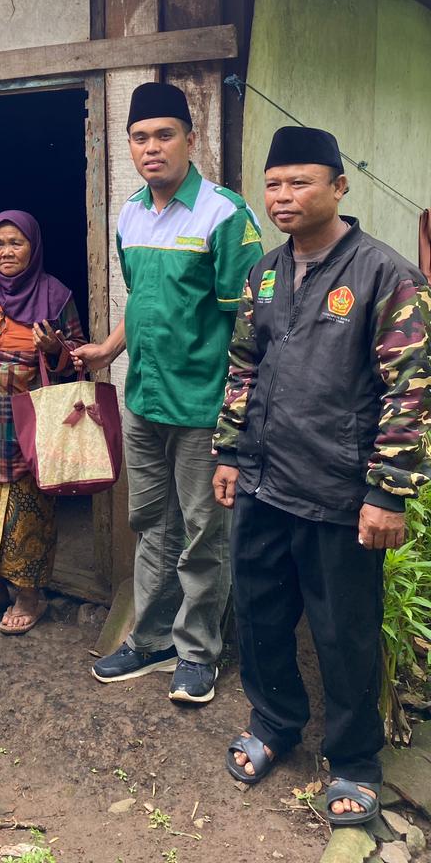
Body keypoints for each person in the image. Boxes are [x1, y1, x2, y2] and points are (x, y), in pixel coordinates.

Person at [213, 126, 431, 826]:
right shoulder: (265, 272)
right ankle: (275, 724)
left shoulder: (385, 274)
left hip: (340, 494)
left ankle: (355, 760)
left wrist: (388, 491)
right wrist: (228, 451)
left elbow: (411, 389)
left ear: (339, 187)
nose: (283, 196)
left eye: (300, 182)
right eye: (274, 183)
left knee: (345, 632)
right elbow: (244, 365)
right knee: (261, 613)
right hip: (264, 483)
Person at [75, 82, 262, 705]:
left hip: (204, 409)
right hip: (144, 401)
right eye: (139, 137)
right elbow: (144, 300)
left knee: (204, 533)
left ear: (189, 138)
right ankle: (150, 639)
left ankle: (198, 652)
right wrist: (109, 349)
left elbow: (248, 325)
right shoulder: (131, 213)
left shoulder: (224, 214)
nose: (150, 148)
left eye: (163, 135)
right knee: (151, 523)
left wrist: (238, 416)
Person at [0, 211, 85, 634]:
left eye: (16, 243)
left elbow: (77, 360)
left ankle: (29, 594)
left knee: (29, 509)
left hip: (30, 425)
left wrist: (55, 347)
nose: (6, 252)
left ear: (34, 247)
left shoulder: (56, 296)